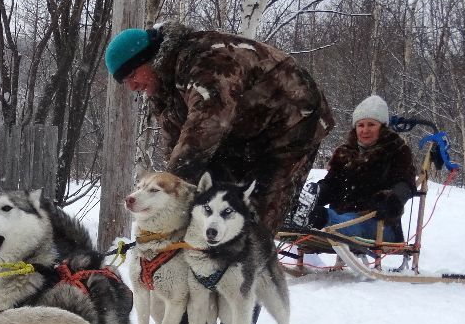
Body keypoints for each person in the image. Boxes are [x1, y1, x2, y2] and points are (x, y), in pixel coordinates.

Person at [105, 22, 334, 230]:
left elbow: (206, 128)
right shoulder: (161, 87)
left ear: (149, 59)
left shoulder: (205, 59)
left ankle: (262, 249)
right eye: (125, 82)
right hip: (244, 132)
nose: (132, 86)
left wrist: (172, 195)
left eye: (132, 74)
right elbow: (175, 145)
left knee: (252, 214)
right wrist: (178, 193)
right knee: (211, 200)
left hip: (295, 119)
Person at [310, 94, 416, 241]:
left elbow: (405, 183)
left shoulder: (396, 150)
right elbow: (331, 184)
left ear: (382, 127)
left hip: (379, 224)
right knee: (323, 216)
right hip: (341, 217)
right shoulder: (344, 153)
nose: (365, 130)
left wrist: (392, 200)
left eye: (371, 124)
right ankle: (306, 215)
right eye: (360, 125)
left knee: (343, 223)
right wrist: (315, 194)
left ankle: (322, 218)